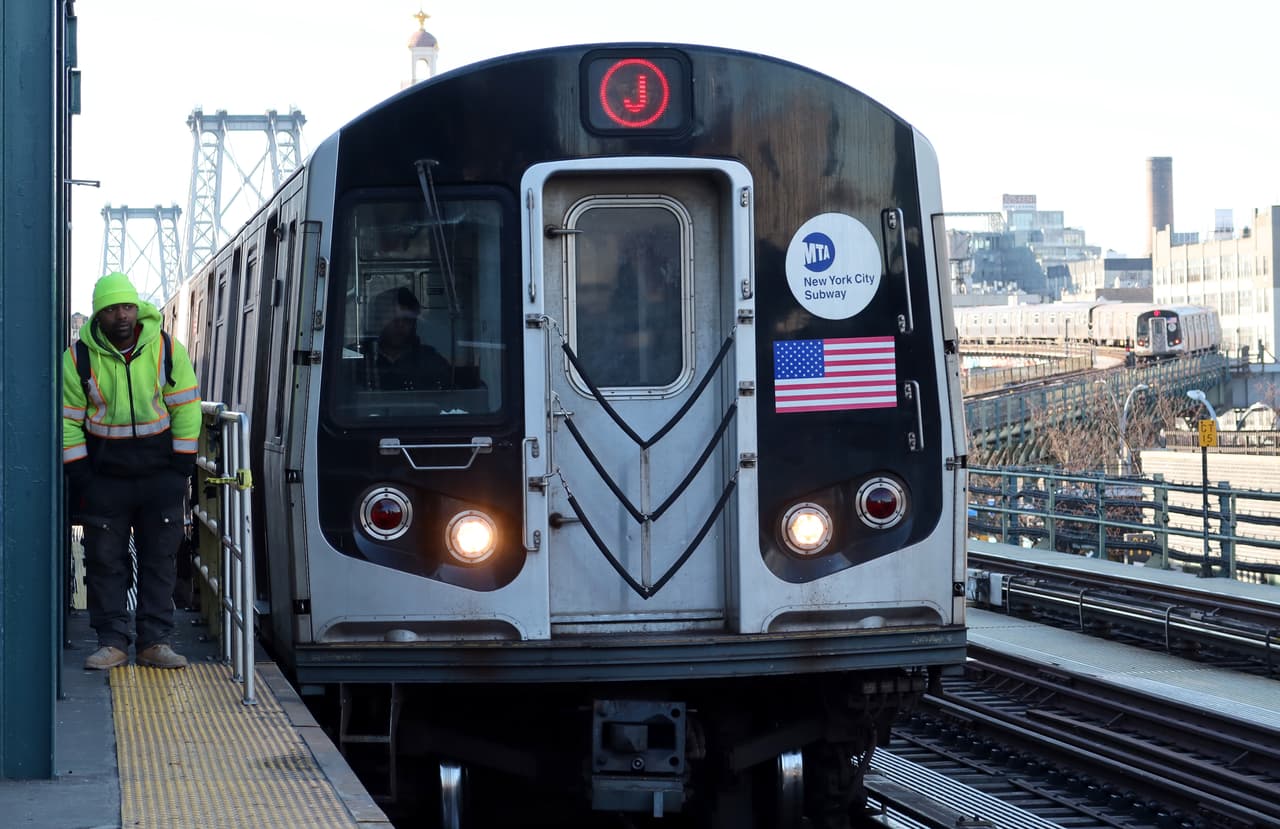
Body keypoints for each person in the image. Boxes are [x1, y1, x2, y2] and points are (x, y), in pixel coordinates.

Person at [62, 272, 202, 670]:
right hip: (105, 478)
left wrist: (182, 464)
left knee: (161, 558)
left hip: (161, 474)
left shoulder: (166, 350)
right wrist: (81, 471)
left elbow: (186, 406)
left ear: (136, 309)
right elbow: (68, 420)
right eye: (111, 309)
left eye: (126, 306)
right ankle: (113, 642)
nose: (121, 316)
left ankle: (154, 643)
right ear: (98, 316)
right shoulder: (77, 359)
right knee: (105, 560)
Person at [364, 286, 452, 390]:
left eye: (406, 319)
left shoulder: (433, 363)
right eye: (393, 318)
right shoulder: (357, 359)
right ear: (378, 320)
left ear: (415, 323)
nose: (400, 325)